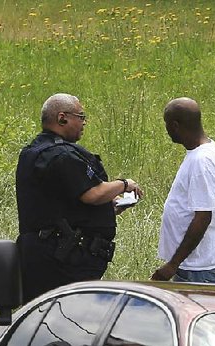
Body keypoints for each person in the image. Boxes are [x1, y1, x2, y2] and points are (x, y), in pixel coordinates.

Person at [15, 93, 143, 301]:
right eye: (81, 116)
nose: (84, 122)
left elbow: (58, 204)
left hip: (41, 257)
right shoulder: (61, 156)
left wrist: (107, 209)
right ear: (62, 118)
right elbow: (93, 194)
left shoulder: (33, 152)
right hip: (60, 263)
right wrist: (125, 184)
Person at [152, 97, 215, 283]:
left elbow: (203, 216)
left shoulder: (202, 160)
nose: (166, 130)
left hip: (199, 267)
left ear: (175, 126)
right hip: (193, 264)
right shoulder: (202, 152)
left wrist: (173, 264)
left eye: (166, 124)